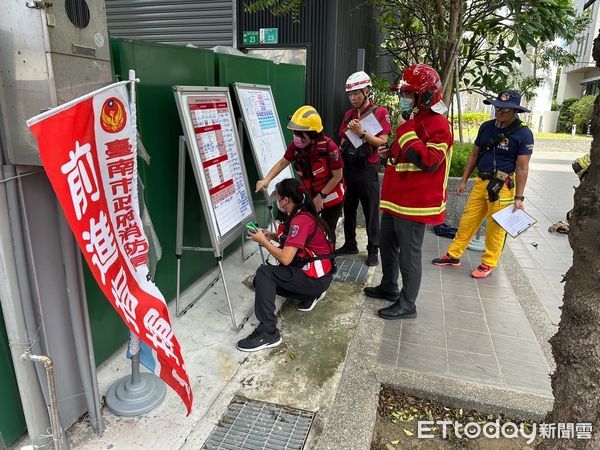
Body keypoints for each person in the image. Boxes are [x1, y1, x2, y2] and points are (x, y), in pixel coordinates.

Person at [363, 64, 453, 320]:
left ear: (426, 95)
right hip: (395, 198)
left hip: (415, 203)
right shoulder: (416, 120)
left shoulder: (438, 125)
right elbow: (405, 152)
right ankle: (389, 287)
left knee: (409, 255)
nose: (405, 99)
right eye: (404, 94)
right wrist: (389, 151)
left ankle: (408, 303)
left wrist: (404, 131)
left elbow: (429, 161)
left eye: (410, 94)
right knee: (387, 245)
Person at [432, 89, 534, 278]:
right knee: (468, 220)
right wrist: (463, 180)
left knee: (496, 227)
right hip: (481, 182)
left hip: (503, 186)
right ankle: (453, 255)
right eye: (498, 107)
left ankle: (489, 262)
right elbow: (474, 154)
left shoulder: (523, 134)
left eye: (505, 109)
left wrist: (519, 197)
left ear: (515, 111)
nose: (500, 111)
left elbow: (522, 167)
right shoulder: (486, 127)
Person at [237, 178, 336, 352]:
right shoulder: (303, 213)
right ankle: (309, 295)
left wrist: (263, 242)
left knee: (264, 274)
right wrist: (270, 235)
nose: (277, 200)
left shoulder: (299, 221)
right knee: (260, 283)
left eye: (278, 196)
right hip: (321, 276)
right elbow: (293, 240)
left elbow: (285, 258)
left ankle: (268, 332)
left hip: (316, 280)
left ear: (286, 200)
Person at [256, 105, 345, 233]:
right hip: (312, 195)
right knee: (305, 227)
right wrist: (266, 180)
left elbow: (338, 176)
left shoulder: (329, 148)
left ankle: (326, 253)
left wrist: (321, 196)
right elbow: (282, 163)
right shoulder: (296, 147)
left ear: (313, 134)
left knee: (326, 233)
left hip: (330, 195)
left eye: (300, 134)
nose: (296, 137)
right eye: (294, 133)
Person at [335, 71, 392, 266]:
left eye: (357, 94)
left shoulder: (380, 112)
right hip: (349, 168)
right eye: (350, 95)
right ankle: (350, 243)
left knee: (371, 212)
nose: (352, 98)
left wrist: (361, 133)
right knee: (348, 208)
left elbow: (382, 142)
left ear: (367, 91)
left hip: (368, 170)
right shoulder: (348, 114)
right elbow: (342, 140)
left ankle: (373, 250)